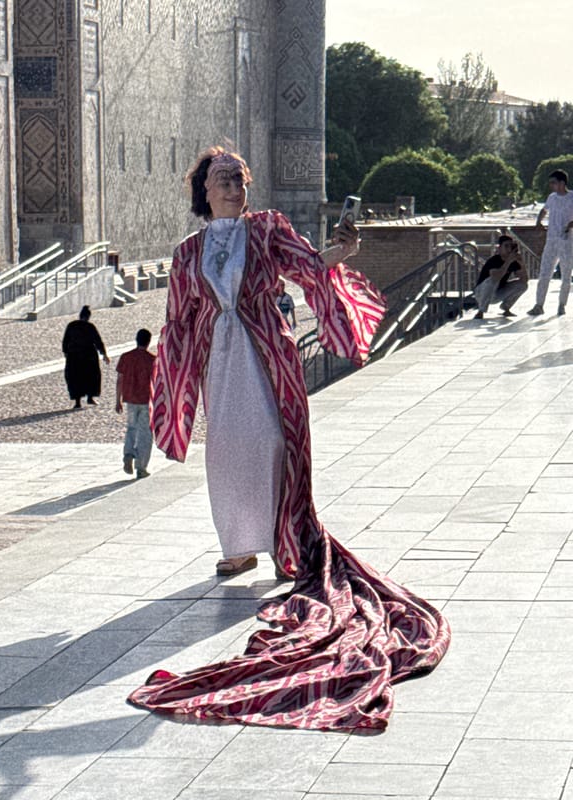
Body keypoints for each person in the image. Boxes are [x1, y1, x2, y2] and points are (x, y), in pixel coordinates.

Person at [127, 146, 450, 732]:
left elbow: (308, 268)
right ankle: (239, 543)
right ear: (203, 191)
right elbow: (177, 320)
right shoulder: (188, 253)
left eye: (240, 179)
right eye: (224, 180)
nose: (234, 187)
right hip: (219, 361)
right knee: (228, 452)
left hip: (268, 353)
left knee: (278, 446)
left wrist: (342, 253)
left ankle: (285, 541)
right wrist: (173, 385)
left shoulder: (268, 230)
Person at [528, 169, 573, 316]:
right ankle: (539, 305)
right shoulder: (552, 197)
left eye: (553, 182)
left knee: (566, 274)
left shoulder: (572, 197)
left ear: (562, 183)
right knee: (545, 272)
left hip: (566, 240)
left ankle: (562, 304)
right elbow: (544, 210)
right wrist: (539, 221)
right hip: (551, 239)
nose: (551, 185)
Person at [116, 328, 155, 479]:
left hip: (130, 399)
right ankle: (141, 467)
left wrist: (117, 400)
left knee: (131, 428)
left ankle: (128, 454)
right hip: (146, 400)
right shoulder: (152, 360)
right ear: (148, 341)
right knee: (145, 433)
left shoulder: (126, 357)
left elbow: (120, 379)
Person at [62, 305, 110, 409]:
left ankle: (77, 401)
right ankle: (90, 397)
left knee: (75, 378)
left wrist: (66, 352)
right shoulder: (90, 327)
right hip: (89, 356)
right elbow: (97, 341)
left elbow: (65, 341)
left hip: (74, 356)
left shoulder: (71, 325)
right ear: (88, 317)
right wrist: (104, 354)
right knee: (91, 377)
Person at [473, 235, 528, 319]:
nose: (509, 249)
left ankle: (506, 308)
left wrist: (521, 263)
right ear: (499, 248)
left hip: (497, 293)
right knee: (492, 280)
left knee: (523, 285)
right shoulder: (494, 260)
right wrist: (508, 261)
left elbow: (524, 280)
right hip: (481, 294)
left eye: (511, 246)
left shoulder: (513, 262)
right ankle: (481, 311)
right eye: (506, 246)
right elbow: (495, 277)